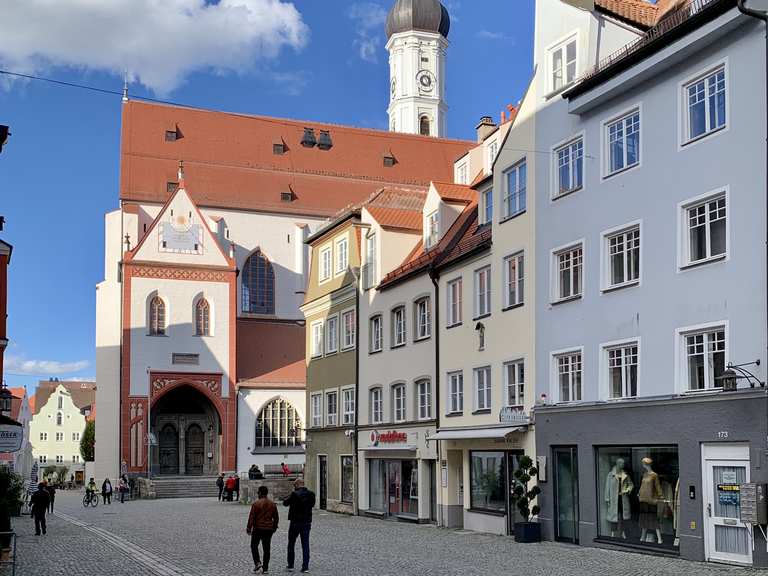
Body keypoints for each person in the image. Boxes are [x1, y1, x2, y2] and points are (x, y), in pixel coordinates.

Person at [283, 478, 315, 573]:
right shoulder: (311, 494)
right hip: (306, 521)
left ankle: (290, 565)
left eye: (294, 486)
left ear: (296, 485)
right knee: (305, 544)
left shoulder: (294, 494)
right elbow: (312, 505)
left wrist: (291, 494)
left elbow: (285, 503)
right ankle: (305, 567)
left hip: (295, 522)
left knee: (291, 543)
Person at [247, 485, 279, 574]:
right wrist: (274, 527)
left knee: (254, 546)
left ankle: (257, 562)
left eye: (258, 492)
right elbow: (276, 517)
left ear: (260, 493)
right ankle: (265, 569)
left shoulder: (256, 504)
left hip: (258, 528)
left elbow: (252, 517)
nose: (257, 494)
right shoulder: (272, 504)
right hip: (268, 529)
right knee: (266, 548)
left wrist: (249, 528)